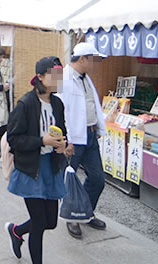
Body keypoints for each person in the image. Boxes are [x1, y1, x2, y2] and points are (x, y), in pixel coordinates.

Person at [5, 56, 70, 264]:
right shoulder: (25, 104)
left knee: (50, 222)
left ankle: (16, 231)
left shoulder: (58, 104)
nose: (58, 79)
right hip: (31, 169)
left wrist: (62, 144)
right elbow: (13, 139)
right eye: (54, 75)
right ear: (40, 77)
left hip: (51, 166)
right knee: (40, 223)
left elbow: (62, 130)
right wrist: (42, 140)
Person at [58, 42, 108, 239]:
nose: (96, 64)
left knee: (98, 179)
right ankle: (72, 217)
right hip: (73, 138)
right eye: (93, 59)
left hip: (90, 134)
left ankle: (86, 211)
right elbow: (58, 111)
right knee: (69, 179)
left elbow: (92, 104)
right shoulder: (61, 76)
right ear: (82, 59)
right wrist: (66, 139)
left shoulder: (87, 78)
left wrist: (98, 127)